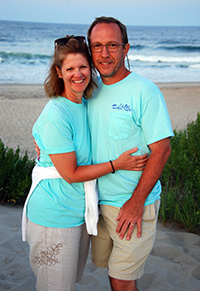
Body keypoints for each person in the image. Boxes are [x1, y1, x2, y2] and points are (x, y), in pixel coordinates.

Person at [22, 35, 148, 291]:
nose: (77, 74)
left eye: (82, 67)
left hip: (78, 213)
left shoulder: (85, 102)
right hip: (54, 215)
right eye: (69, 68)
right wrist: (117, 164)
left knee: (66, 283)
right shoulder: (56, 115)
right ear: (58, 72)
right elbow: (70, 173)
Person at [86, 16, 174, 291]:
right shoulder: (89, 89)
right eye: (97, 46)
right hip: (97, 203)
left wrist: (136, 203)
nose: (104, 54)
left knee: (122, 282)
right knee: (110, 273)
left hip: (132, 204)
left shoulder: (144, 91)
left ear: (126, 49)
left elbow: (162, 149)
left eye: (112, 45)